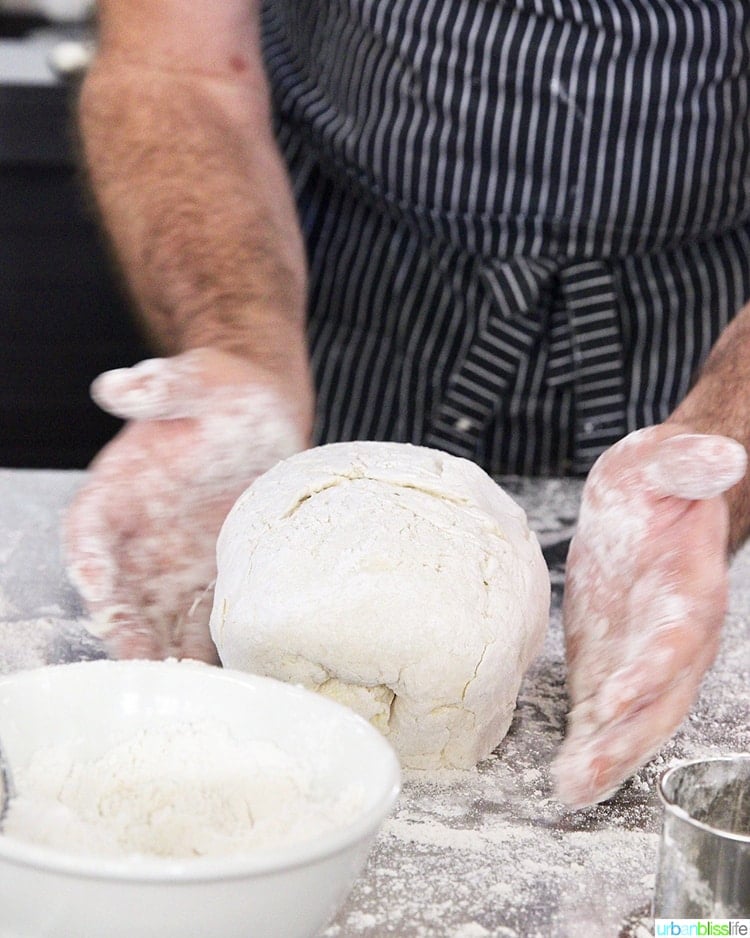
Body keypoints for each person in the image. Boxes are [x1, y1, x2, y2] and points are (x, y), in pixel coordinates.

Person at [64, 0, 750, 808]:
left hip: (692, 314)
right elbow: (177, 68)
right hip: (346, 285)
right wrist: (237, 334)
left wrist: (726, 438)